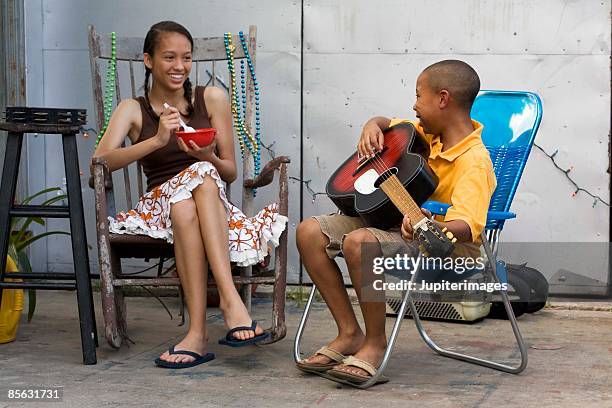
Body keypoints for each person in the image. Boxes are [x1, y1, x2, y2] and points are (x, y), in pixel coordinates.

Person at [92, 21, 287, 369]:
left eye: (186, 57)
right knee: (190, 189)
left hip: (207, 206)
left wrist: (206, 156)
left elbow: (229, 171)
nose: (179, 66)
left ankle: (196, 334)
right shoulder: (132, 109)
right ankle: (231, 299)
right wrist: (154, 141)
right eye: (169, 57)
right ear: (148, 60)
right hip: (157, 207)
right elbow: (99, 165)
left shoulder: (211, 98)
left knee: (198, 186)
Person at [295, 60, 496, 385]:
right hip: (392, 226)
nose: (414, 106)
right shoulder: (426, 134)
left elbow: (467, 225)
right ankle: (349, 333)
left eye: (419, 96)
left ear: (443, 99)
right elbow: (387, 122)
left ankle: (375, 344)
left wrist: (429, 223)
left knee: (360, 242)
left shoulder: (475, 162)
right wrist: (371, 126)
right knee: (309, 232)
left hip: (443, 248)